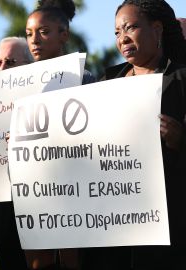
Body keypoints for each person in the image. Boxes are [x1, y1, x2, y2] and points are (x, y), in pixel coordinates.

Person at [83, 1, 186, 269]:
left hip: (168, 224)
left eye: (131, 27)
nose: (122, 38)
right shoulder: (105, 85)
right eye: (117, 32)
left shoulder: (181, 79)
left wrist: (181, 141)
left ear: (157, 29)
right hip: (113, 222)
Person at [24, 0, 97, 269]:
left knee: (72, 260)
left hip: (74, 189)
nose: (35, 40)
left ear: (63, 35)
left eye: (44, 32)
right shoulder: (17, 84)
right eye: (29, 33)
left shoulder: (83, 78)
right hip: (32, 190)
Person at [0, 36, 32, 270]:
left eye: (10, 61)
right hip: (2, 197)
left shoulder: (45, 94)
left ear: (29, 66)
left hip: (42, 195)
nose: (2, 67)